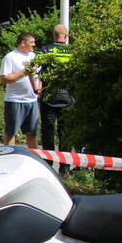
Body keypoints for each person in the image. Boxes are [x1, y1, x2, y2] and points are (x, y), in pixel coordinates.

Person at [36, 23, 73, 164]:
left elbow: (33, 65)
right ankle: (65, 167)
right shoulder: (73, 51)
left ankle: (49, 164)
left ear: (53, 35)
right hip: (68, 97)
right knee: (66, 133)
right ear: (66, 36)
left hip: (49, 97)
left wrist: (37, 85)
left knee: (48, 132)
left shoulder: (46, 50)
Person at [0, 32, 39, 148]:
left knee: (32, 133)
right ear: (23, 43)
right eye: (31, 42)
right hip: (15, 100)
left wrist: (39, 86)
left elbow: (37, 75)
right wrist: (25, 71)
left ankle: (33, 159)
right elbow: (4, 79)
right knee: (11, 133)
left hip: (32, 100)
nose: (34, 45)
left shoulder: (34, 56)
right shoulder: (10, 57)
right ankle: (9, 158)